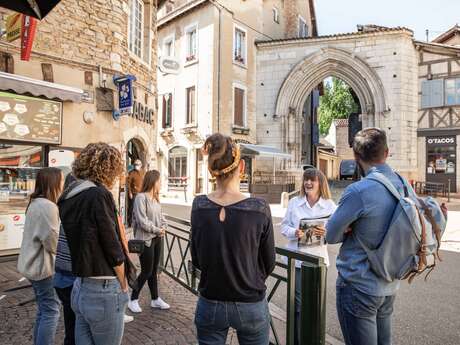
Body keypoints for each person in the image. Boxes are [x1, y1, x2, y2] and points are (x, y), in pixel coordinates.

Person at [190, 133, 276, 345]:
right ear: (242, 168)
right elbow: (269, 262)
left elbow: (198, 259)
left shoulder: (198, 206)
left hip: (211, 300)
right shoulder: (259, 208)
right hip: (250, 301)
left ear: (212, 171)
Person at [325, 128, 407, 345]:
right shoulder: (404, 185)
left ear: (356, 157)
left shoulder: (358, 191)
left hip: (358, 285)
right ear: (387, 152)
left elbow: (331, 235)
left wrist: (350, 227)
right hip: (389, 283)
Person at [60, 143, 131, 345]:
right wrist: (123, 285)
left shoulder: (68, 196)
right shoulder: (98, 195)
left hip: (81, 286)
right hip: (104, 287)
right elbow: (113, 247)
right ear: (109, 168)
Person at [281, 168, 336, 345]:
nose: (308, 183)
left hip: (319, 262)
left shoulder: (330, 205)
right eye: (306, 180)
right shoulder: (294, 203)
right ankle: (297, 340)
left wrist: (326, 232)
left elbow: (337, 233)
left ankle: (313, 340)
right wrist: (294, 232)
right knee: (298, 305)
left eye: (312, 180)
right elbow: (283, 227)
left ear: (321, 183)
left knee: (315, 305)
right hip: (297, 261)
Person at [17, 167, 64, 345]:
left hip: (32, 266)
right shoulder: (48, 206)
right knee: (51, 311)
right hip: (43, 269)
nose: (62, 185)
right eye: (60, 181)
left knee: (43, 310)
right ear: (52, 183)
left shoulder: (36, 202)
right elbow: (52, 243)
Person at [128, 170, 170, 313]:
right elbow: (142, 221)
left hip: (157, 238)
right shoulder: (141, 198)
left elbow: (161, 218)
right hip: (145, 240)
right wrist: (158, 230)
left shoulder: (156, 199)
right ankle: (132, 299)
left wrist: (163, 227)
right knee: (146, 271)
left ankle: (155, 299)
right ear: (153, 181)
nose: (161, 183)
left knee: (153, 271)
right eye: (159, 181)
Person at [127, 159, 144, 227]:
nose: (136, 166)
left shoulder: (143, 172)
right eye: (135, 164)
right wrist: (130, 193)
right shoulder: (131, 173)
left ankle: (139, 222)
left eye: (138, 164)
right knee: (132, 208)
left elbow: (145, 182)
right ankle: (130, 222)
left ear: (141, 165)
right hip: (134, 194)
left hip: (142, 193)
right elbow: (128, 184)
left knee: (141, 209)